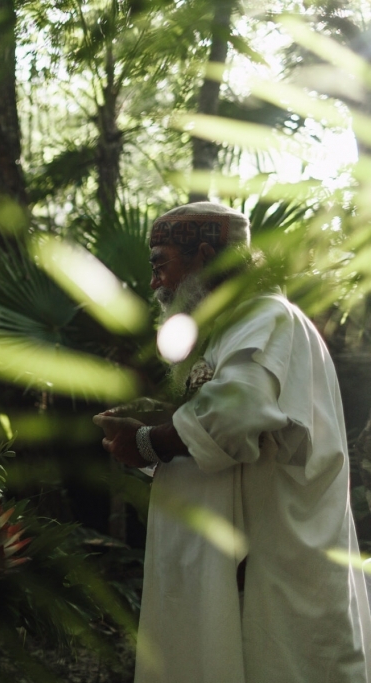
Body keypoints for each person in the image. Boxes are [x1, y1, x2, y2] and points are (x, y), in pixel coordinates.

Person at [93, 202, 371, 682]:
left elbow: (236, 411)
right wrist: (157, 420)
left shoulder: (268, 317)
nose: (155, 282)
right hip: (224, 571)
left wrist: (147, 441)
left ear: (204, 255)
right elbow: (224, 421)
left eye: (161, 264)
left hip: (269, 569)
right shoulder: (231, 330)